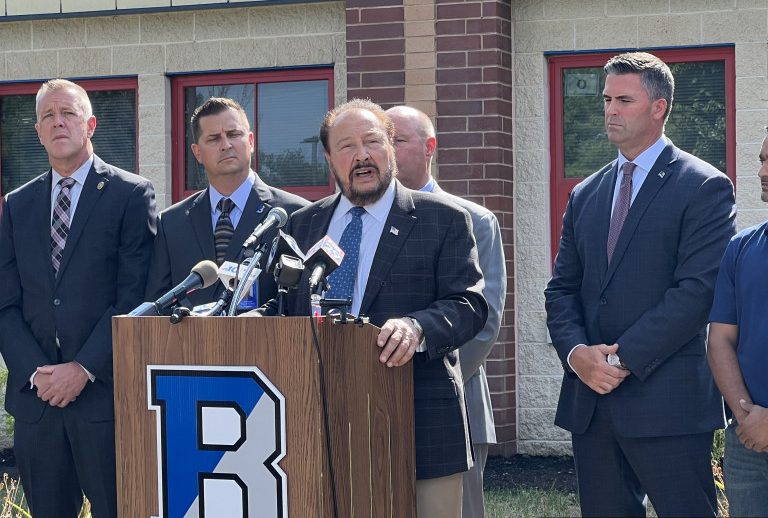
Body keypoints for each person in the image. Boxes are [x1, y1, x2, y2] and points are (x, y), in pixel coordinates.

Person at [258, 99, 488, 518]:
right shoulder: (303, 225)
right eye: (346, 146)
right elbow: (283, 304)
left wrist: (417, 328)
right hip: (319, 421)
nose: (361, 155)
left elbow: (469, 303)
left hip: (419, 421)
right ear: (329, 159)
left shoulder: (443, 219)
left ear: (391, 150)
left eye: (372, 142)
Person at [544, 52, 736, 516]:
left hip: (668, 403)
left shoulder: (704, 186)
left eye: (624, 100)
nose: (609, 109)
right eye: (607, 98)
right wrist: (577, 356)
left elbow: (696, 293)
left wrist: (621, 358)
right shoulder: (586, 192)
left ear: (659, 108)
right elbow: (562, 289)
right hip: (591, 400)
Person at [0, 79, 157, 517]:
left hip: (105, 402)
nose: (58, 122)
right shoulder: (18, 203)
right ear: (37, 131)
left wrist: (83, 368)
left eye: (67, 113)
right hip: (38, 404)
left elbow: (136, 298)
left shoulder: (131, 194)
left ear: (90, 124)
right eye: (47, 116)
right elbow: (5, 302)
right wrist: (39, 374)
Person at [386, 105, 505, 518]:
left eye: (397, 139)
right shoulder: (358, 223)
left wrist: (428, 378)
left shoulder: (474, 220)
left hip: (455, 401)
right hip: (375, 402)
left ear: (429, 147)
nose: (386, 149)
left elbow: (483, 323)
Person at [145, 97, 308, 309]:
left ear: (250, 141)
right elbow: (158, 306)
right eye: (214, 139)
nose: (226, 145)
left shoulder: (294, 215)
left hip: (267, 341)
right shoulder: (171, 223)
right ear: (197, 152)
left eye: (234, 134)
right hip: (191, 342)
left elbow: (300, 302)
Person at [707, 128, 768, 517]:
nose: (762, 171)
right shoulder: (742, 247)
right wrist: (747, 417)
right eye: (762, 159)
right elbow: (720, 340)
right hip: (748, 439)